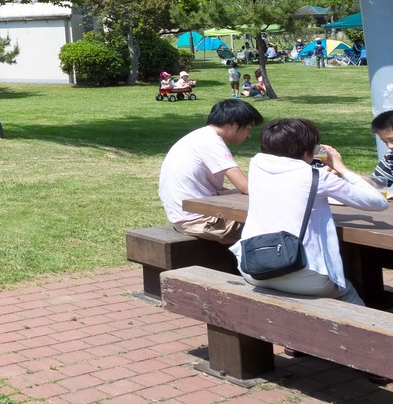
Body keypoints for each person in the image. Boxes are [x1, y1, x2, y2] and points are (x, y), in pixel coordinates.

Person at [234, 117, 388, 307]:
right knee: (348, 292)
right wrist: (340, 167)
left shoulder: (257, 166)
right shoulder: (317, 177)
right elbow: (378, 202)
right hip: (303, 274)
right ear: (309, 151)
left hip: (253, 268)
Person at [158, 98, 264, 243]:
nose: (249, 135)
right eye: (248, 129)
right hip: (199, 221)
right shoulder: (211, 142)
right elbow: (245, 187)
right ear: (232, 124)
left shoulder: (200, 136)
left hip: (186, 215)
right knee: (271, 224)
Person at [369, 110, 393, 191]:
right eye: (385, 142)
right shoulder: (390, 156)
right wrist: (344, 173)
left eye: (392, 140)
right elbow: (376, 183)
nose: (389, 146)